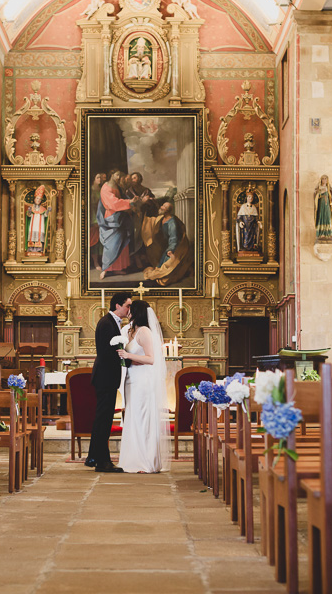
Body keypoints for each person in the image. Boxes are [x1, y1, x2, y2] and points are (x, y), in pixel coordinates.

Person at [116, 300, 170, 473]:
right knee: (132, 418)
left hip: (143, 380)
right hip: (131, 379)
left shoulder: (145, 331)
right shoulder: (130, 330)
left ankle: (146, 462)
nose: (128, 312)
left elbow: (151, 358)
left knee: (143, 418)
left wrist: (128, 354)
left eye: (131, 309)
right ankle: (132, 459)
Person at [86, 291, 132, 472]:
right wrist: (127, 359)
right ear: (118, 306)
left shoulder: (112, 322)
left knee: (103, 419)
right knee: (103, 419)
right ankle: (102, 461)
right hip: (105, 377)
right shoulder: (107, 323)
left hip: (107, 377)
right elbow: (106, 352)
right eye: (128, 305)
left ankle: (94, 457)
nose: (129, 309)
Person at [143, 200, 193, 286]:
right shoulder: (162, 218)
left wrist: (171, 250)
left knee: (166, 275)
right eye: (162, 205)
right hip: (166, 245)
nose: (161, 207)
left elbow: (174, 238)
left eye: (164, 207)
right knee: (160, 267)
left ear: (167, 210)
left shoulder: (172, 223)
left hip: (175, 247)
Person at [96, 170, 135, 279]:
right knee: (111, 245)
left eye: (120, 176)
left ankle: (118, 269)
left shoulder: (118, 187)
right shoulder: (106, 188)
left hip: (120, 217)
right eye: (117, 175)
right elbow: (113, 203)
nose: (118, 177)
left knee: (121, 244)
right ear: (111, 174)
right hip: (112, 219)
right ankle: (106, 269)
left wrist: (131, 201)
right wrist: (129, 202)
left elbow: (122, 199)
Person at [26, 185, 51, 255]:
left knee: (39, 236)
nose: (38, 200)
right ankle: (31, 249)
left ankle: (39, 249)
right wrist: (30, 211)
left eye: (39, 199)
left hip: (40, 224)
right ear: (34, 199)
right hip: (33, 224)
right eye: (37, 198)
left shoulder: (43, 208)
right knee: (32, 235)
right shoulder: (31, 207)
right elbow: (28, 215)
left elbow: (45, 215)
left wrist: (48, 211)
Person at [314, 175, 332, 242]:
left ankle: (327, 233)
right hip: (321, 205)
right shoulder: (318, 187)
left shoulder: (328, 187)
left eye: (325, 179)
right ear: (321, 180)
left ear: (327, 180)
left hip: (327, 206)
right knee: (321, 216)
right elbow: (315, 194)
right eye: (323, 179)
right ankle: (321, 233)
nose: (324, 180)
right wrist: (319, 193)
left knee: (327, 217)